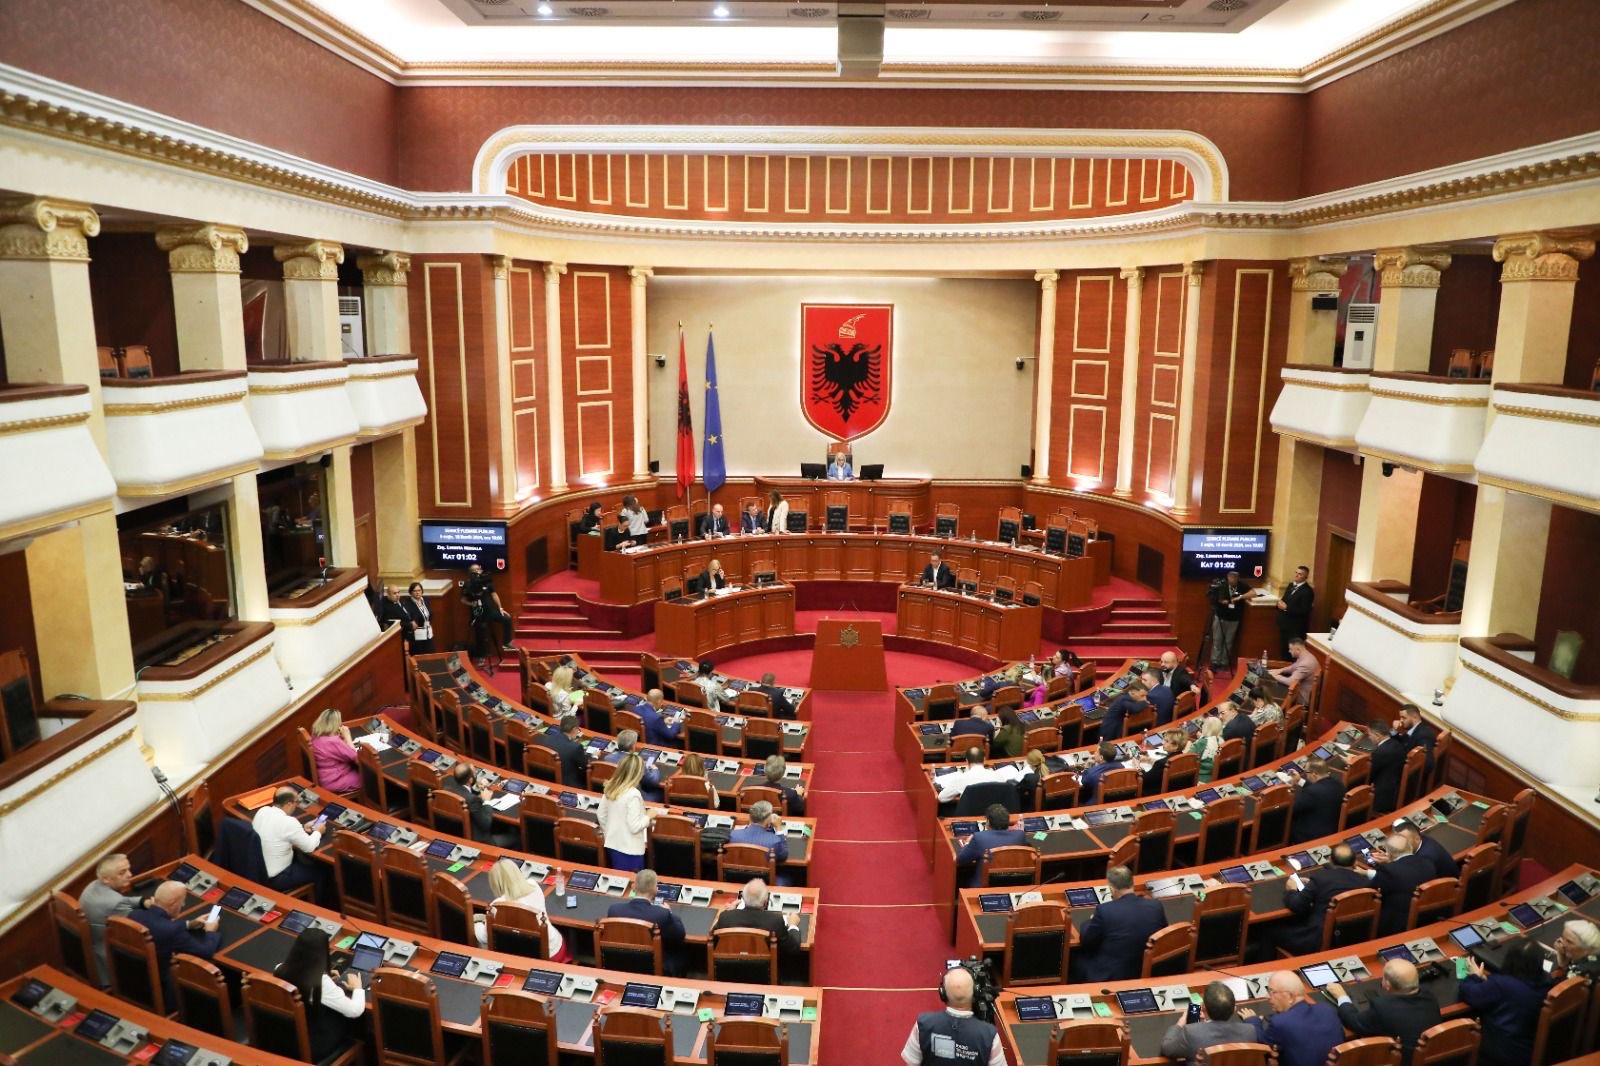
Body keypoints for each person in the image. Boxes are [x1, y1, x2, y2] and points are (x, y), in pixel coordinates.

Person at [1326, 959, 1441, 1066]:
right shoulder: (1430, 996)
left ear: (1387, 985)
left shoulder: (1382, 1007)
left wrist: (1341, 996)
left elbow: (1353, 1021)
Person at [274, 927, 364, 1061]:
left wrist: (324, 974)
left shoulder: (279, 969)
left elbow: (302, 973)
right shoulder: (321, 983)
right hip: (316, 1044)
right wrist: (358, 988)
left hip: (286, 1037)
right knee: (357, 1025)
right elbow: (355, 1011)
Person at [127, 881, 221, 1010]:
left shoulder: (134, 915)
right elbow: (205, 952)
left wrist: (189, 924)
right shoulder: (172, 931)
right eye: (182, 901)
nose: (183, 905)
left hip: (133, 979)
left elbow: (160, 924)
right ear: (173, 904)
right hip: (163, 989)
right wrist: (210, 931)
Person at [1458, 940, 1551, 1066]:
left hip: (1497, 1055)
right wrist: (1490, 983)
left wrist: (1474, 976)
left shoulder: (1502, 985)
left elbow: (1469, 993)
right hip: (1525, 1051)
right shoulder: (1546, 982)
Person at [1072, 865, 1167, 982]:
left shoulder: (1104, 911)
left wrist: (1090, 921)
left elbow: (1086, 941)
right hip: (1147, 971)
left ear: (1112, 889)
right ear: (1132, 883)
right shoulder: (1155, 906)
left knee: (1075, 958)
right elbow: (1163, 937)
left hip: (1112, 976)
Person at [1272, 843, 1369, 956]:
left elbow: (1296, 905)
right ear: (1354, 862)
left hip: (1316, 940)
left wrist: (1291, 890)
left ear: (1330, 860)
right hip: (1351, 939)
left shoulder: (1321, 878)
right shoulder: (1365, 882)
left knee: (1270, 930)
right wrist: (1312, 886)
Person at [900, 965, 1006, 1066]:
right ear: (974, 993)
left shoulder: (923, 1024)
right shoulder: (989, 1035)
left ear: (943, 994)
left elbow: (911, 1063)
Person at [1240, 972, 1344, 1066]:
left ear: (1290, 996)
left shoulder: (1280, 1022)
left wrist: (1253, 1020)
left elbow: (1262, 1046)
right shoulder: (1327, 1009)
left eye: (1272, 991)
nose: (1267, 996)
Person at [475, 858, 568, 961]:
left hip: (539, 958)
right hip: (556, 947)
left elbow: (484, 937)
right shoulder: (533, 885)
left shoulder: (497, 906)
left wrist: (475, 923)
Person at [80, 853, 149, 988]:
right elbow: (139, 926)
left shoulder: (93, 886)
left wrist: (142, 902)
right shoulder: (114, 902)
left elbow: (120, 901)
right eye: (122, 873)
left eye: (128, 869)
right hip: (112, 958)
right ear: (106, 879)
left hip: (92, 946)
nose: (130, 874)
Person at [606, 869, 687, 975]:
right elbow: (680, 935)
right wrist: (669, 912)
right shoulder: (662, 914)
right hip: (650, 967)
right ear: (656, 890)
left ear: (633, 887)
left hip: (619, 963)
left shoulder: (614, 910)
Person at [252, 786, 327, 900]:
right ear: (289, 804)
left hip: (258, 871)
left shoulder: (263, 811)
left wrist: (302, 827)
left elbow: (277, 831)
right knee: (321, 872)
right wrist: (318, 832)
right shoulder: (289, 822)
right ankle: (320, 906)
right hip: (276, 878)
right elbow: (309, 847)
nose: (296, 805)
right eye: (296, 802)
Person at [1159, 981, 1257, 1064]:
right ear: (1234, 1009)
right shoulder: (1250, 1031)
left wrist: (1180, 1024)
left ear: (1203, 1007)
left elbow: (1166, 1049)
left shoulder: (1191, 1033)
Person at [1365, 831, 1438, 936]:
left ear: (1388, 853)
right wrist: (1392, 863)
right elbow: (1406, 873)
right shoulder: (1428, 862)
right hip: (1427, 917)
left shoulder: (1388, 871)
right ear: (1410, 847)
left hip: (1398, 924)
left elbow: (1369, 892)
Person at [713, 879, 803, 960]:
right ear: (765, 902)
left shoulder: (725, 917)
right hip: (763, 971)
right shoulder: (775, 921)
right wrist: (793, 925)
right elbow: (793, 949)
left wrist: (730, 913)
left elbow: (712, 939)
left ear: (743, 898)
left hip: (729, 969)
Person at [598, 753, 652, 871]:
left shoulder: (611, 787)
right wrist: (649, 816)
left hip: (612, 844)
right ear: (637, 773)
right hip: (630, 850)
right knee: (632, 881)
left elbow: (601, 815)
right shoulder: (634, 794)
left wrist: (611, 832)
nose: (643, 774)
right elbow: (635, 827)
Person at [442, 761, 514, 848]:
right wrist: (486, 800)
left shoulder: (446, 788)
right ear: (470, 780)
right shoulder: (472, 800)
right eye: (475, 773)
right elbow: (486, 824)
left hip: (456, 835)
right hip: (480, 841)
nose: (476, 774)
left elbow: (465, 793)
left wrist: (476, 788)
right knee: (515, 835)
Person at [954, 804, 1026, 888]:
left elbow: (960, 860)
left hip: (984, 887)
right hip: (1013, 885)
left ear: (988, 822)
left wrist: (967, 842)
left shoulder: (979, 838)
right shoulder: (1020, 835)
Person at [1288, 758, 1345, 844]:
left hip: (1311, 835)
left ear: (1314, 774)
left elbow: (1292, 810)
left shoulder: (1311, 792)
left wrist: (1289, 791)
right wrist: (1299, 781)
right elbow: (1319, 788)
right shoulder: (1338, 784)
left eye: (1306, 772)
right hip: (1331, 828)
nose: (1306, 775)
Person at [463, 563, 515, 655]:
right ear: (470, 572)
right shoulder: (467, 584)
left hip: (490, 611)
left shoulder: (486, 581)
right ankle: (481, 655)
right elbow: (463, 600)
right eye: (474, 570)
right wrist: (471, 603)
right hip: (478, 613)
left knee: (507, 618)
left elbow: (494, 595)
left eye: (478, 569)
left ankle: (506, 643)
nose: (477, 571)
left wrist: (500, 608)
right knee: (481, 632)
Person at [308, 708, 360, 796]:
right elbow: (356, 758)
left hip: (324, 778)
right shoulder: (334, 741)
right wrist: (347, 736)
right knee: (369, 777)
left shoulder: (316, 736)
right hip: (336, 781)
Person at [604, 729, 664, 802]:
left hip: (614, 793)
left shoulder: (607, 758)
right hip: (634, 798)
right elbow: (653, 781)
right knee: (661, 793)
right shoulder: (638, 763)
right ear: (633, 746)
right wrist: (655, 769)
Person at [1209, 570, 1252, 670]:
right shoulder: (1223, 586)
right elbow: (1218, 599)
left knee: (1228, 642)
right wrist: (1223, 601)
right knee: (1217, 641)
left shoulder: (1242, 585)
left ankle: (1224, 662)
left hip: (1234, 619)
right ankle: (1215, 662)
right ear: (1228, 577)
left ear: (1237, 578)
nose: (1232, 580)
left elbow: (1253, 593)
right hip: (1221, 617)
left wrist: (1240, 597)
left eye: (1234, 578)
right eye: (1231, 577)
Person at [533, 714, 590, 787]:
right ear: (574, 729)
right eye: (578, 729)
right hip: (567, 783)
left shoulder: (544, 739)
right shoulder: (576, 747)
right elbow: (585, 766)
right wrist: (594, 756)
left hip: (545, 778)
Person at [1367, 718, 1411, 813]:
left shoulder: (1380, 752)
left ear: (1377, 735)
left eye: (1369, 735)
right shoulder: (1396, 744)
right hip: (1394, 790)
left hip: (1382, 799)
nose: (1369, 738)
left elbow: (1367, 774)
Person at [1389, 820, 1457, 880]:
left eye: (1404, 840)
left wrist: (1391, 862)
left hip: (1447, 887)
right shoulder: (1419, 837)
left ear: (1417, 839)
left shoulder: (1425, 857)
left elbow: (1409, 876)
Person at [730, 799, 789, 865]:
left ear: (750, 817)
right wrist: (779, 828)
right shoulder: (774, 841)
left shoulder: (733, 835)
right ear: (769, 820)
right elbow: (783, 855)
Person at [937, 748, 1002, 803]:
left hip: (969, 812)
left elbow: (941, 798)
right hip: (992, 812)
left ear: (967, 761)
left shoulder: (961, 779)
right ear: (984, 760)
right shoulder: (997, 776)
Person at [1277, 565, 1315, 658]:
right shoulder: (1291, 585)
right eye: (1296, 573)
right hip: (1284, 624)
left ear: (1305, 577)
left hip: (1296, 628)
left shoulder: (1307, 591)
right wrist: (1280, 603)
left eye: (1300, 574)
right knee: (1284, 650)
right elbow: (1284, 599)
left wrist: (1287, 608)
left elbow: (1304, 611)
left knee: (1293, 654)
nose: (1297, 575)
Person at [1393, 703, 1439, 775]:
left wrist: (1407, 773)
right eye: (1400, 718)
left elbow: (1428, 765)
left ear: (1414, 717)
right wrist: (1396, 731)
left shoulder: (1424, 736)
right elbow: (1403, 742)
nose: (1401, 720)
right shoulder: (1416, 729)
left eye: (1404, 718)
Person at [1142, 729, 1186, 796]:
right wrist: (1149, 760)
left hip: (1154, 793)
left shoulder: (1162, 763)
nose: (1163, 743)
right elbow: (1162, 765)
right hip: (1176, 790)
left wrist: (1137, 766)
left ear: (1176, 746)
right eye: (1164, 740)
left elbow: (1144, 779)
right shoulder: (1183, 757)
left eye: (1167, 741)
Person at [1188, 717, 1224, 783]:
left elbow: (1187, 759)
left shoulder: (1202, 742)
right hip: (1214, 776)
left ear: (1207, 727)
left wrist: (1187, 746)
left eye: (1204, 724)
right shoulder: (1221, 740)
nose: (1202, 726)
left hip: (1200, 779)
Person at [402, 582, 435, 654]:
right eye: (415, 591)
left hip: (428, 633)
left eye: (419, 590)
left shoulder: (426, 600)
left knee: (431, 652)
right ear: (411, 593)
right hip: (417, 637)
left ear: (422, 591)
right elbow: (408, 620)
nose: (417, 592)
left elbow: (429, 614)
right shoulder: (407, 604)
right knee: (420, 655)